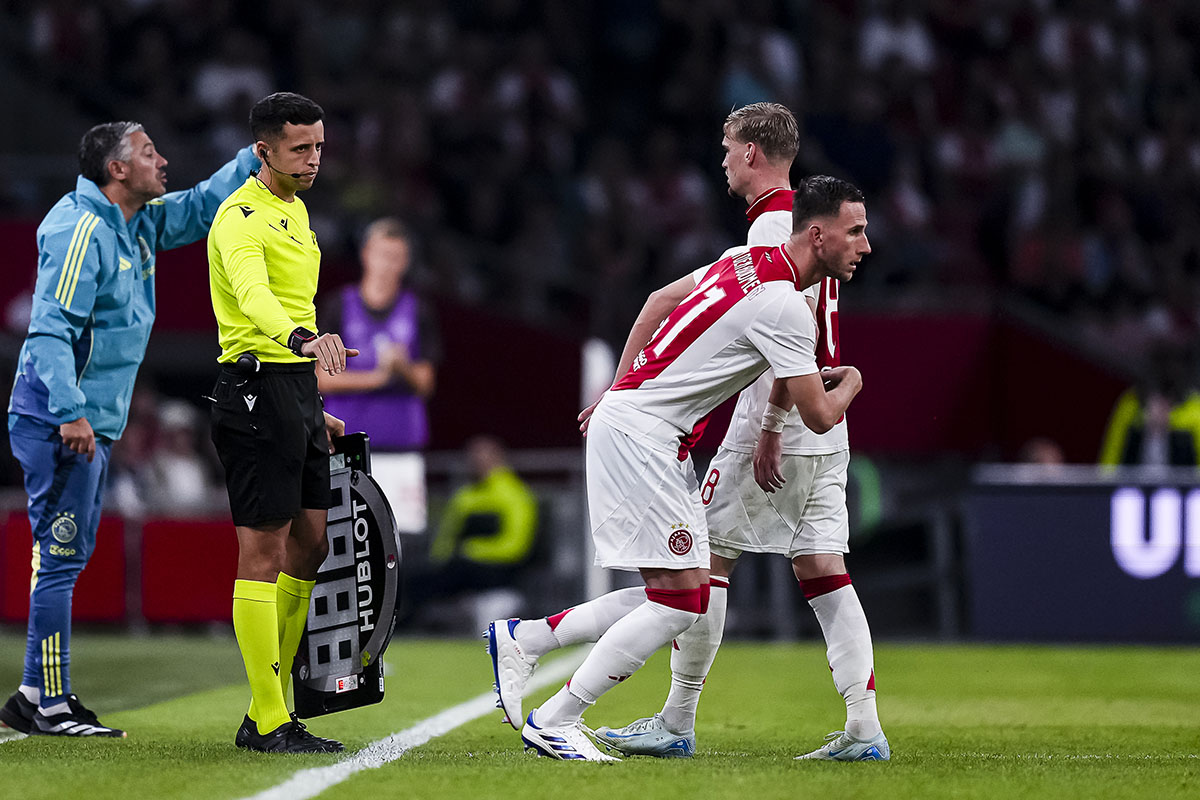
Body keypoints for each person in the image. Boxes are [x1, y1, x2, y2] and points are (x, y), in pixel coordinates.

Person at [486, 175, 869, 761]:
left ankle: (527, 638)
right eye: (855, 231)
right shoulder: (788, 307)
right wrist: (855, 381)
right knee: (681, 601)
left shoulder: (743, 259)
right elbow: (819, 416)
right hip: (644, 438)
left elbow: (658, 302)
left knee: (684, 590)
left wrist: (619, 390)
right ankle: (557, 718)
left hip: (646, 430)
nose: (865, 245)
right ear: (817, 236)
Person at [596, 106, 889, 761]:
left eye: (728, 148)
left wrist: (770, 427)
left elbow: (786, 325)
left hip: (777, 419)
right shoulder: (808, 216)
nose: (723, 160)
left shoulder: (776, 224)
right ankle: (864, 727)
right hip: (824, 420)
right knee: (823, 568)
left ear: (752, 152)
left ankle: (676, 721)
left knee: (702, 565)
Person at [0, 122, 257, 738]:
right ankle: (49, 704)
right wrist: (69, 412)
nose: (162, 160)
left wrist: (254, 157)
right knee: (59, 557)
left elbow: (199, 206)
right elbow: (49, 329)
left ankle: (35, 693)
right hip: (60, 421)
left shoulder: (134, 221)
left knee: (66, 556)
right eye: (148, 153)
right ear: (116, 169)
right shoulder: (81, 229)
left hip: (91, 422)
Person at [207, 92, 356, 754]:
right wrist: (302, 340)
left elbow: (294, 299)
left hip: (294, 390)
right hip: (255, 389)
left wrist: (312, 404)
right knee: (263, 552)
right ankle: (270, 719)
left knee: (312, 544)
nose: (314, 158)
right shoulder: (239, 217)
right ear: (263, 150)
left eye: (319, 146)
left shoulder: (296, 209)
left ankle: (263, 709)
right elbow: (253, 296)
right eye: (300, 148)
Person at [317, 217, 439, 534]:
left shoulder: (417, 309)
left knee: (404, 540)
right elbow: (322, 378)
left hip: (402, 450)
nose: (387, 265)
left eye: (396, 257)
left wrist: (402, 368)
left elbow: (426, 382)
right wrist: (380, 377)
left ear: (406, 262)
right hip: (347, 448)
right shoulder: (338, 306)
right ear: (366, 254)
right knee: (344, 539)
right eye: (383, 255)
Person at [422, 435, 538, 597]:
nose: (477, 462)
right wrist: (438, 562)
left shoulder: (516, 494)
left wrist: (471, 549)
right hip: (460, 568)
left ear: (499, 458)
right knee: (419, 581)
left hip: (498, 569)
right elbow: (446, 537)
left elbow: (515, 546)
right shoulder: (464, 495)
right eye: (473, 457)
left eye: (484, 457)